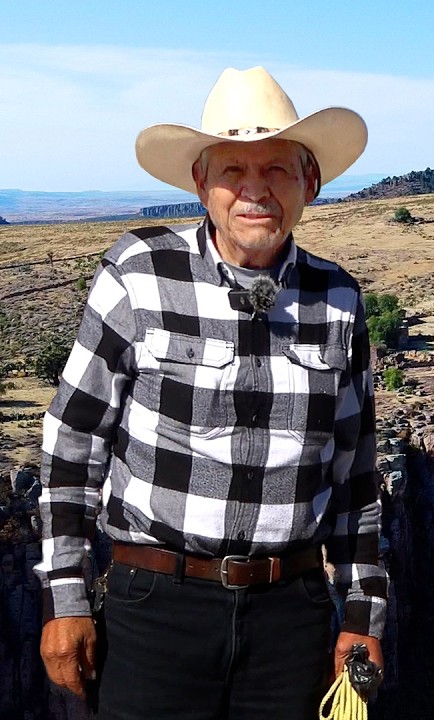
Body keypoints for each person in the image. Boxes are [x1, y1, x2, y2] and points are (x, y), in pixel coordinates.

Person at [34, 66, 387, 719]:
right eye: (233, 171)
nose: (255, 191)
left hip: (294, 615)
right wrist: (67, 599)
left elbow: (355, 478)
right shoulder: (138, 274)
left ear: (309, 181)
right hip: (156, 609)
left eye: (277, 170)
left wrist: (363, 615)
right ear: (202, 183)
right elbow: (72, 444)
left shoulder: (338, 299)